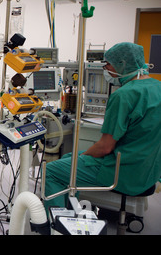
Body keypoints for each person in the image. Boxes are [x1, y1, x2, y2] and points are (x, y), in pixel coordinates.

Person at [44, 42, 161, 212]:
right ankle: (71, 213)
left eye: (108, 64)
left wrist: (85, 155)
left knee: (51, 171)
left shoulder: (124, 95)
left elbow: (105, 147)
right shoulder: (157, 87)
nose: (105, 68)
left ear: (122, 63)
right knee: (69, 156)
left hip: (122, 172)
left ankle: (57, 224)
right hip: (147, 172)